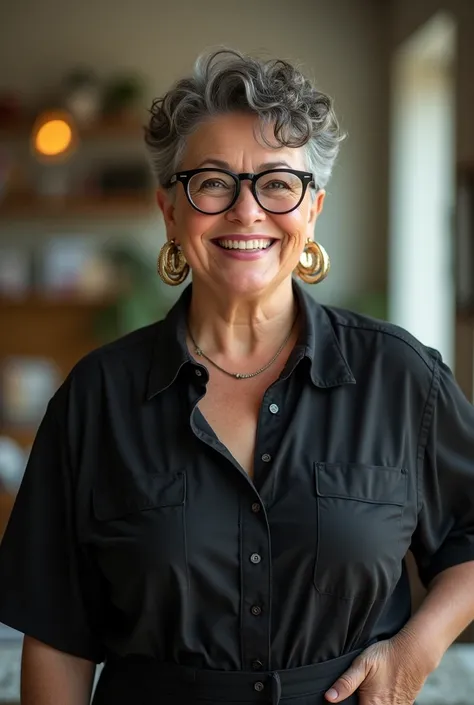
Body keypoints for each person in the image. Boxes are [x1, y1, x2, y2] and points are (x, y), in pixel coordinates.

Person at [0, 48, 473, 705]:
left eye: (278, 182)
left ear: (312, 210)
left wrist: (414, 652)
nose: (246, 211)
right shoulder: (96, 397)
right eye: (214, 182)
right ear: (171, 210)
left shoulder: (401, 378)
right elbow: (57, 635)